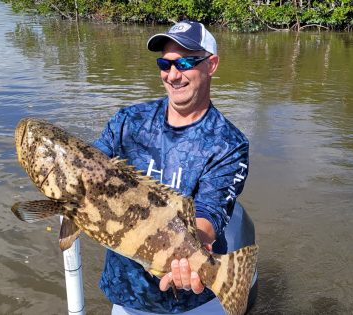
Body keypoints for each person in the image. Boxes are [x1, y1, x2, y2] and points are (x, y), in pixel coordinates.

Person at [92, 20, 249, 314]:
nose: (173, 75)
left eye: (185, 62)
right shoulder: (128, 122)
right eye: (164, 64)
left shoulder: (229, 143)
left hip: (196, 303)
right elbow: (91, 170)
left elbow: (210, 212)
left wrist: (191, 254)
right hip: (128, 297)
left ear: (211, 64)